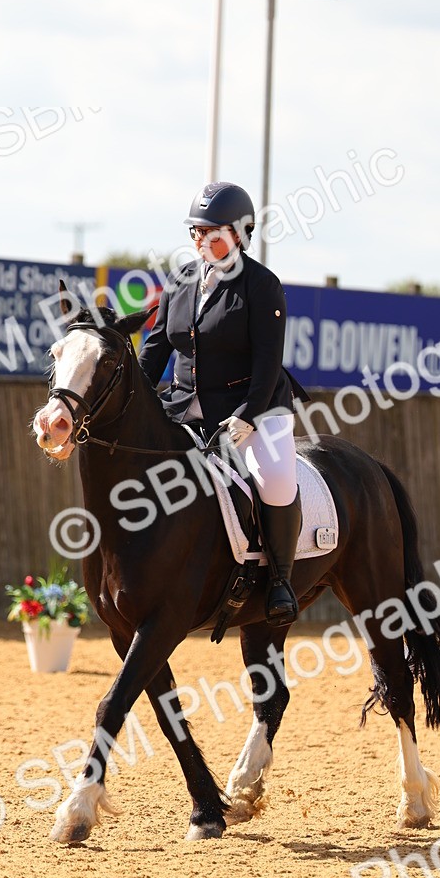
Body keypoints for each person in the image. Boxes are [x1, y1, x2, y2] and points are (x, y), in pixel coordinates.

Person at [138, 181, 305, 625]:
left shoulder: (261, 285)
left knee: (274, 479)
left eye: (212, 231)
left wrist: (248, 416)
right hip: (184, 403)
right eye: (196, 231)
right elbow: (156, 349)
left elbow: (269, 362)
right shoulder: (180, 280)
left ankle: (281, 582)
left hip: (253, 407)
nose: (201, 240)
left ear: (239, 234)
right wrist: (135, 397)